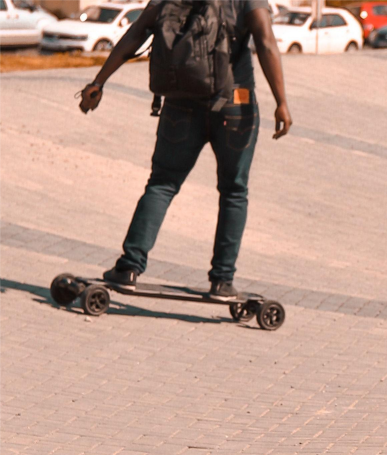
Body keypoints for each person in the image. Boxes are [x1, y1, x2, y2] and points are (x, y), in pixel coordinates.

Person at [78, 0, 292, 298]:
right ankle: (222, 280)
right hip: (236, 104)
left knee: (162, 184)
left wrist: (99, 81)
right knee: (233, 191)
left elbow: (138, 31)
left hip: (181, 104)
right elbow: (266, 42)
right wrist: (281, 102)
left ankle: (128, 268)